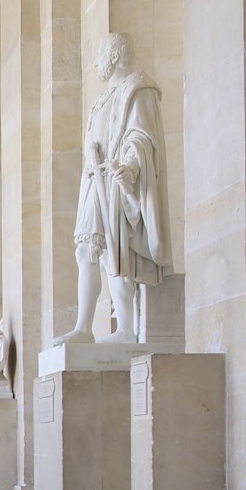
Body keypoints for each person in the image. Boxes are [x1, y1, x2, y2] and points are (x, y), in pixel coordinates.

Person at [56, 31, 172, 344]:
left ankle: (125, 328)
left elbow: (142, 137)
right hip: (95, 180)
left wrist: (131, 169)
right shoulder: (102, 100)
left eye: (98, 55)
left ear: (113, 56)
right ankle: (84, 328)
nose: (94, 63)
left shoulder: (137, 90)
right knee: (86, 249)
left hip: (117, 182)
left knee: (114, 251)